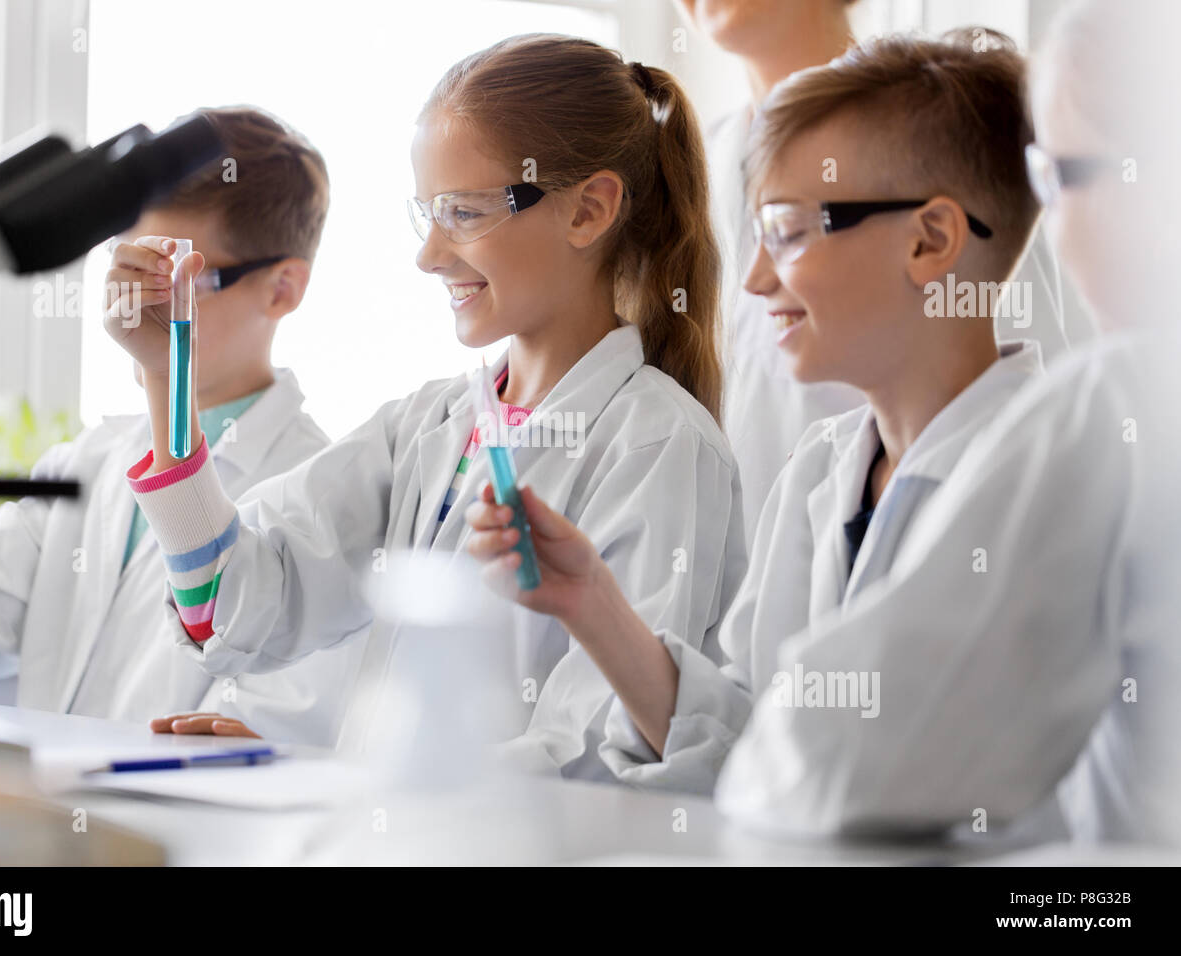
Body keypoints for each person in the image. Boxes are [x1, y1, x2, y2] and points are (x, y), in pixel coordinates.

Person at [111, 35, 747, 778]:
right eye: (428, 215)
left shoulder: (658, 445)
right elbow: (229, 605)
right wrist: (164, 376)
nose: (430, 255)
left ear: (589, 211)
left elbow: (599, 752)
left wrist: (334, 780)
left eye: (465, 214)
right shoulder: (428, 429)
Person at [466, 29, 1045, 793]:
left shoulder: (1049, 481)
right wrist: (591, 603)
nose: (756, 281)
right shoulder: (822, 471)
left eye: (789, 232)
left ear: (931, 239)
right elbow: (747, 733)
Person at [712, 0, 1181, 844]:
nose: (754, 280)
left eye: (1061, 177)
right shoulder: (824, 470)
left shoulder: (1120, 406)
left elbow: (835, 761)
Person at [0, 107, 336, 728]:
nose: (129, 306)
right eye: (123, 267)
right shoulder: (91, 459)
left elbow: (258, 738)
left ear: (282, 288)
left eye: (168, 277)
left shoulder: (317, 497)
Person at [684, 0, 1073, 545]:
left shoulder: (942, 138)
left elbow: (1018, 408)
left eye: (793, 231)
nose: (759, 277)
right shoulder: (694, 162)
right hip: (747, 593)